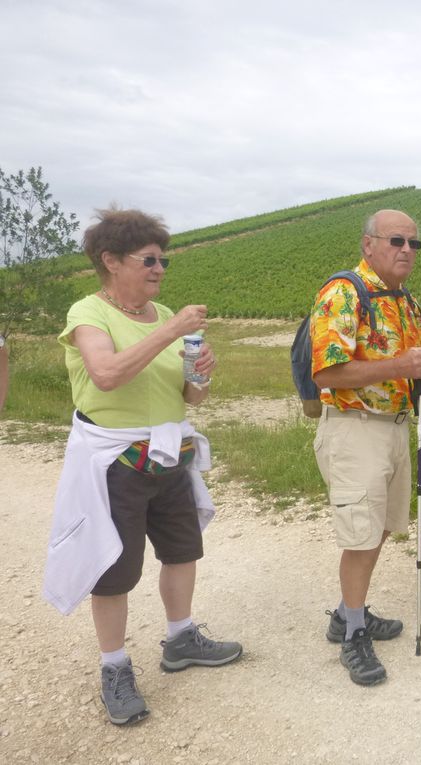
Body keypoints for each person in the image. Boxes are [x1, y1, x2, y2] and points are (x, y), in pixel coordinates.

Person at [42, 208, 242, 726]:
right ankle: (114, 667)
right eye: (148, 260)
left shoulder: (165, 315)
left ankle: (181, 639)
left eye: (163, 261)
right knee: (114, 570)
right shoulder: (89, 313)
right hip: (115, 461)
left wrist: (201, 375)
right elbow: (106, 374)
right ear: (110, 260)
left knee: (181, 550)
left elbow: (191, 396)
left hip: (170, 452)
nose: (159, 269)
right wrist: (172, 328)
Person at [310, 209, 421, 686]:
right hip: (354, 428)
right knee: (360, 533)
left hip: (394, 426)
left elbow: (414, 361)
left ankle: (348, 612)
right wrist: (398, 365)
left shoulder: (403, 301)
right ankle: (353, 634)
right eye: (397, 241)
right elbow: (327, 372)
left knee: (379, 528)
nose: (407, 251)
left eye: (415, 244)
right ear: (369, 243)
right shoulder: (344, 293)